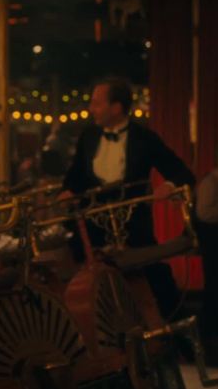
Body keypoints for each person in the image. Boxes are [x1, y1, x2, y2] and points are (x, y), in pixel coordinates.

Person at [60, 76, 195, 322]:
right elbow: (76, 175)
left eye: (97, 103)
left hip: (133, 225)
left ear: (116, 107)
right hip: (94, 226)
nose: (91, 109)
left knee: (154, 277)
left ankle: (172, 329)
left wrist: (168, 186)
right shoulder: (88, 137)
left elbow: (181, 172)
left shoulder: (144, 138)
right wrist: (67, 191)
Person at [195, 147, 218, 366]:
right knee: (214, 286)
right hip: (213, 244)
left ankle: (214, 330)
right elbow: (204, 213)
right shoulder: (210, 183)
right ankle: (209, 331)